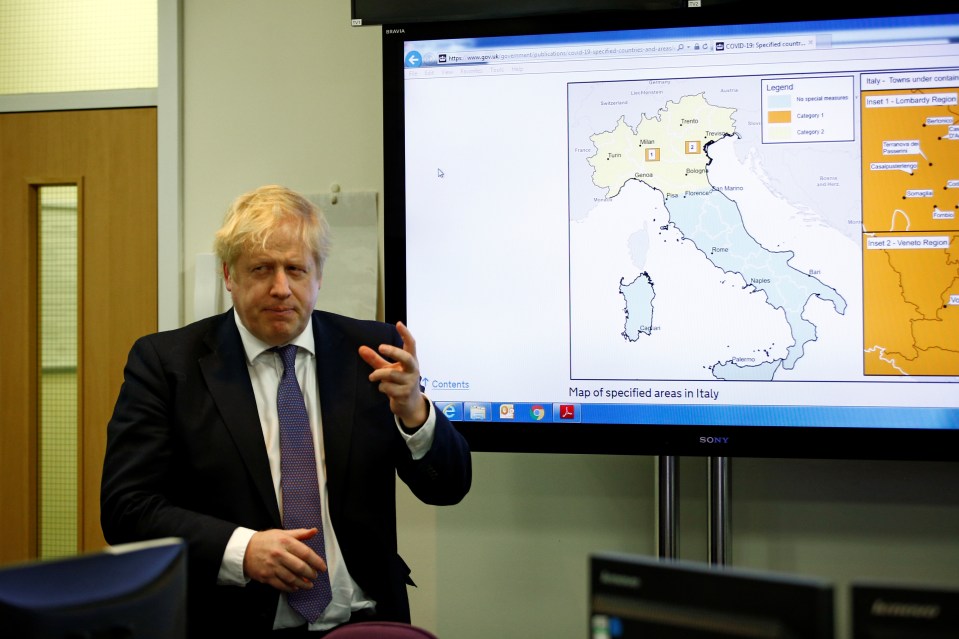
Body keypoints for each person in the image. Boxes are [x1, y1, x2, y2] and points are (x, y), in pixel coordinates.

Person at [100, 184, 472, 637]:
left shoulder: (372, 353)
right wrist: (242, 549)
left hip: (366, 620)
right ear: (228, 275)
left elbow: (448, 488)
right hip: (236, 623)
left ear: (318, 276)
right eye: (261, 269)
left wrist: (415, 412)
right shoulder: (167, 364)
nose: (281, 288)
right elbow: (126, 509)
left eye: (296, 269)